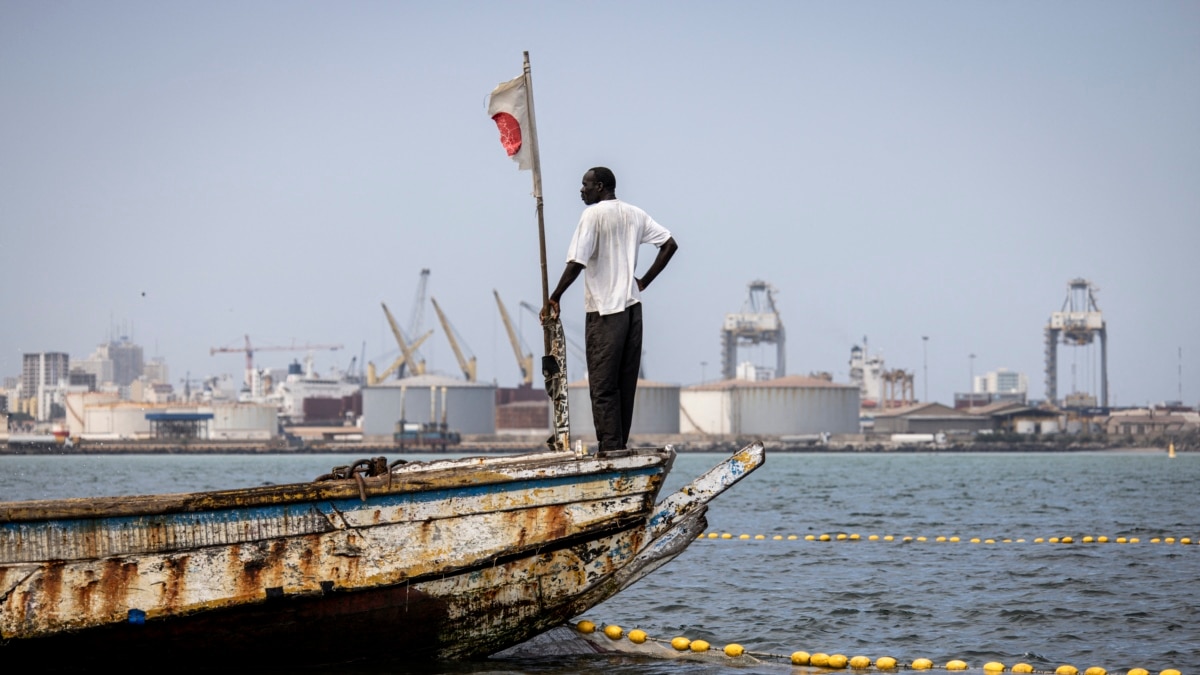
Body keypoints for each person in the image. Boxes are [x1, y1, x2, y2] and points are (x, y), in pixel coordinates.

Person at [546, 166, 678, 455]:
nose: (581, 190)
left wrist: (555, 296)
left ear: (601, 187)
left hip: (605, 311)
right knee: (625, 383)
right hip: (632, 310)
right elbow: (669, 245)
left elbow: (577, 262)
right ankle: (618, 445)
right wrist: (642, 282)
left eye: (585, 185)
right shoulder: (635, 213)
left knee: (603, 384)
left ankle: (610, 448)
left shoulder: (592, 215)